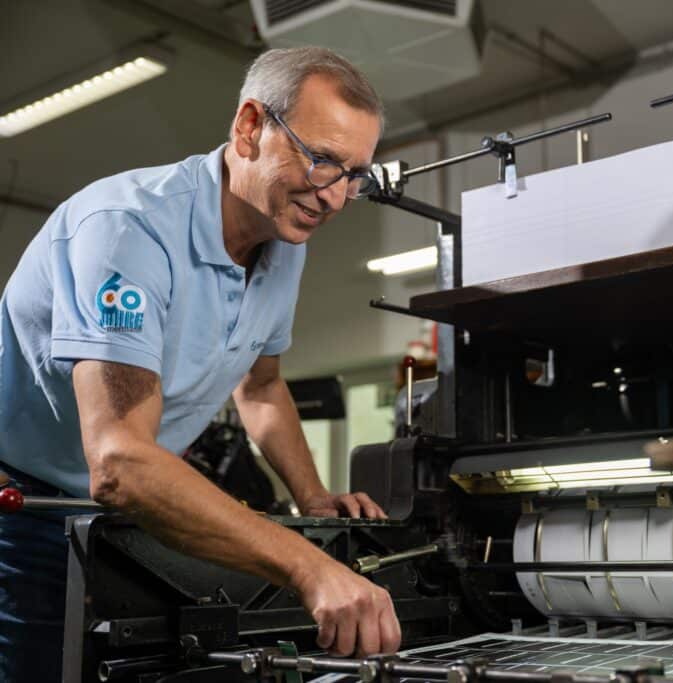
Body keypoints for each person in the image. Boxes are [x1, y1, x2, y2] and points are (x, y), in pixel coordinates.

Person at [0, 47, 400, 681]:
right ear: (249, 128)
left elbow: (262, 384)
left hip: (124, 519)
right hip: (24, 513)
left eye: (355, 174)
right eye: (323, 160)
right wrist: (306, 564)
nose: (335, 199)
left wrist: (313, 500)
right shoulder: (127, 231)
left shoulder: (281, 239)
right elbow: (120, 462)